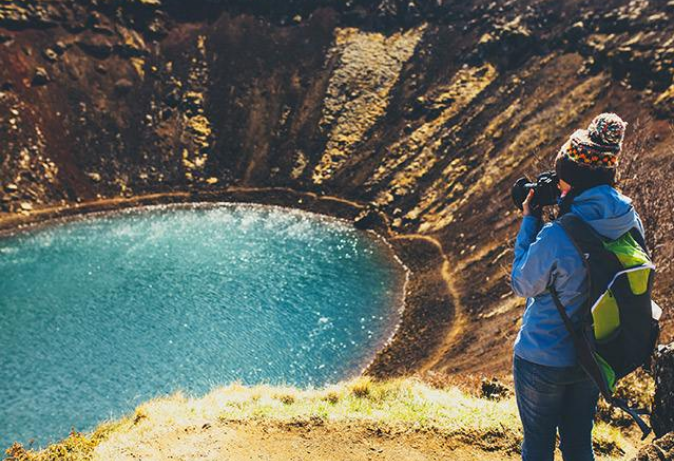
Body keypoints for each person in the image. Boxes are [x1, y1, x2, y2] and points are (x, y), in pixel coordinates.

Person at [510, 113, 645, 461]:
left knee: (538, 445)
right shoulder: (630, 222)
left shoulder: (558, 234)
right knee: (578, 443)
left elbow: (523, 283)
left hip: (542, 357)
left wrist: (530, 221)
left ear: (574, 178)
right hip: (593, 356)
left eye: (563, 178)